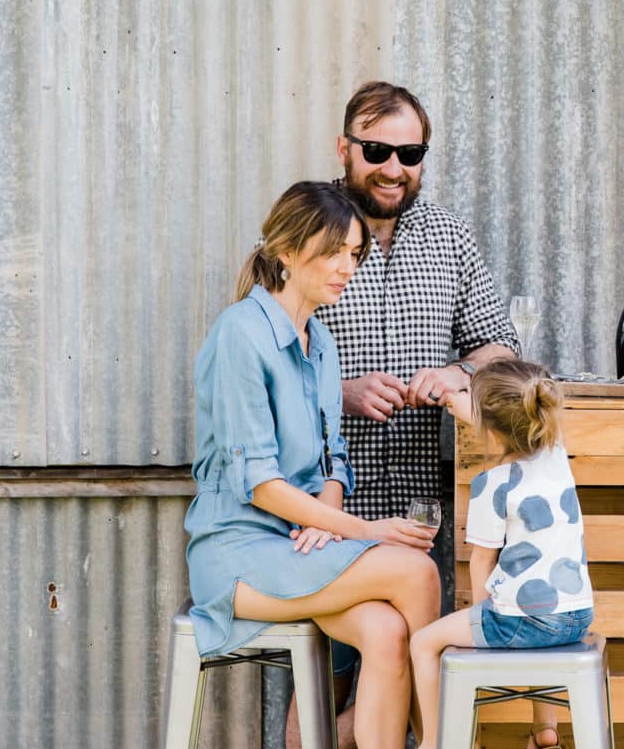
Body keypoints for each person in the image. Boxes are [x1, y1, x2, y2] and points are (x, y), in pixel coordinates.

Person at [297, 81, 520, 748]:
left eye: (410, 151)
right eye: (377, 149)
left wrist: (460, 372)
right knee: (328, 687)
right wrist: (340, 390)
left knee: (411, 677)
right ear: (344, 148)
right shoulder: (307, 229)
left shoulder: (448, 236)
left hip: (427, 517)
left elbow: (499, 344)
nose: (394, 166)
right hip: (330, 513)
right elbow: (268, 357)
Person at [184, 181, 441, 749]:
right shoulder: (241, 336)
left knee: (386, 629)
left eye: (353, 253)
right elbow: (260, 486)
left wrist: (325, 522)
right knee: (417, 570)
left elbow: (333, 461)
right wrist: (360, 530)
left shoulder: (320, 342)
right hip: (239, 552)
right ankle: (441, 738)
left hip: (295, 546)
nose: (346, 267)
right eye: (332, 252)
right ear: (286, 253)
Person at [411, 360, 594, 749]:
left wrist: (482, 632)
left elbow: (481, 563)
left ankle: (434, 741)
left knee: (424, 643)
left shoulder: (492, 485)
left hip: (520, 624)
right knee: (535, 604)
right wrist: (477, 408)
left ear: (490, 435)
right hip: (577, 617)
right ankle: (545, 731)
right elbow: (514, 414)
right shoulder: (556, 456)